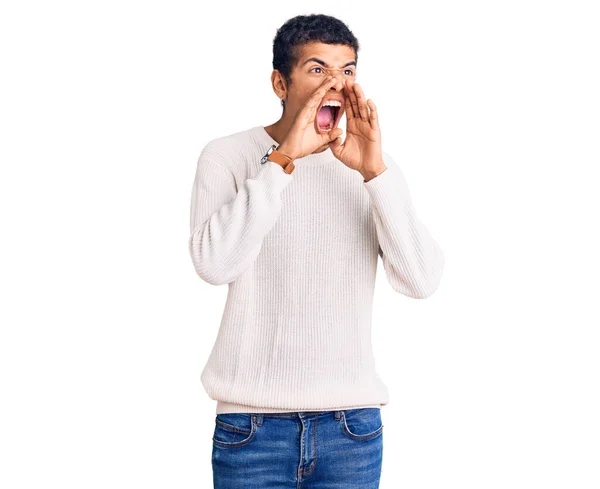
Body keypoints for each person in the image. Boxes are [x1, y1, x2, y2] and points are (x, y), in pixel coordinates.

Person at [188, 13, 445, 489]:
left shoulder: (370, 166)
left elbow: (421, 280)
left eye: (347, 71)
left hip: (351, 429)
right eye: (317, 68)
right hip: (251, 429)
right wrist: (281, 162)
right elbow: (214, 264)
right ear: (279, 82)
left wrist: (375, 173)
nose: (336, 84)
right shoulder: (227, 156)